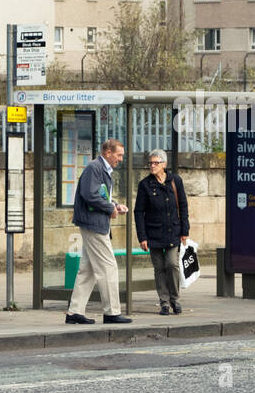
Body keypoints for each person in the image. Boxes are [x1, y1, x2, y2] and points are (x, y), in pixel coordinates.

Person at [66, 138, 132, 325]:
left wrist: (115, 205)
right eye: (118, 155)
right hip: (93, 224)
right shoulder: (94, 168)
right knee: (108, 267)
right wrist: (110, 208)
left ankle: (74, 312)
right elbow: (90, 195)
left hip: (95, 222)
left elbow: (100, 195)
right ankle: (111, 312)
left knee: (87, 270)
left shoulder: (100, 169)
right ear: (108, 152)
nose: (120, 159)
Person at [134, 149, 189, 315]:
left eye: (156, 163)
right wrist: (142, 236)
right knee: (159, 268)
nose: (152, 166)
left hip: (173, 230)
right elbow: (138, 212)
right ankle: (164, 302)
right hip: (154, 233)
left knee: (172, 264)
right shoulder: (145, 185)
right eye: (150, 163)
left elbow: (183, 205)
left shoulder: (175, 181)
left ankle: (175, 299)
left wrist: (185, 230)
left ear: (164, 165)